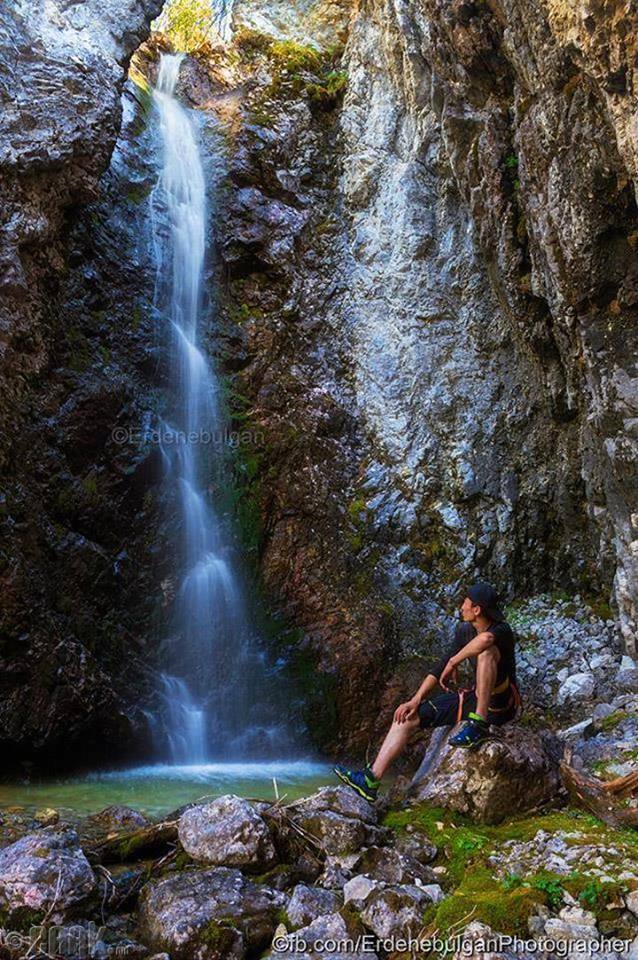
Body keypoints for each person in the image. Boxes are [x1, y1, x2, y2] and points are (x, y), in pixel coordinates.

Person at [334, 581, 521, 803]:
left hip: (501, 703)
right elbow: (439, 667)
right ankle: (371, 779)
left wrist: (455, 661)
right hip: (476, 698)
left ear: (477, 609)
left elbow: (485, 640)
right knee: (407, 716)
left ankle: (477, 725)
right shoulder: (464, 631)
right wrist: (415, 700)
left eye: (465, 602)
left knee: (486, 653)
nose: (461, 606)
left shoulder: (501, 630)